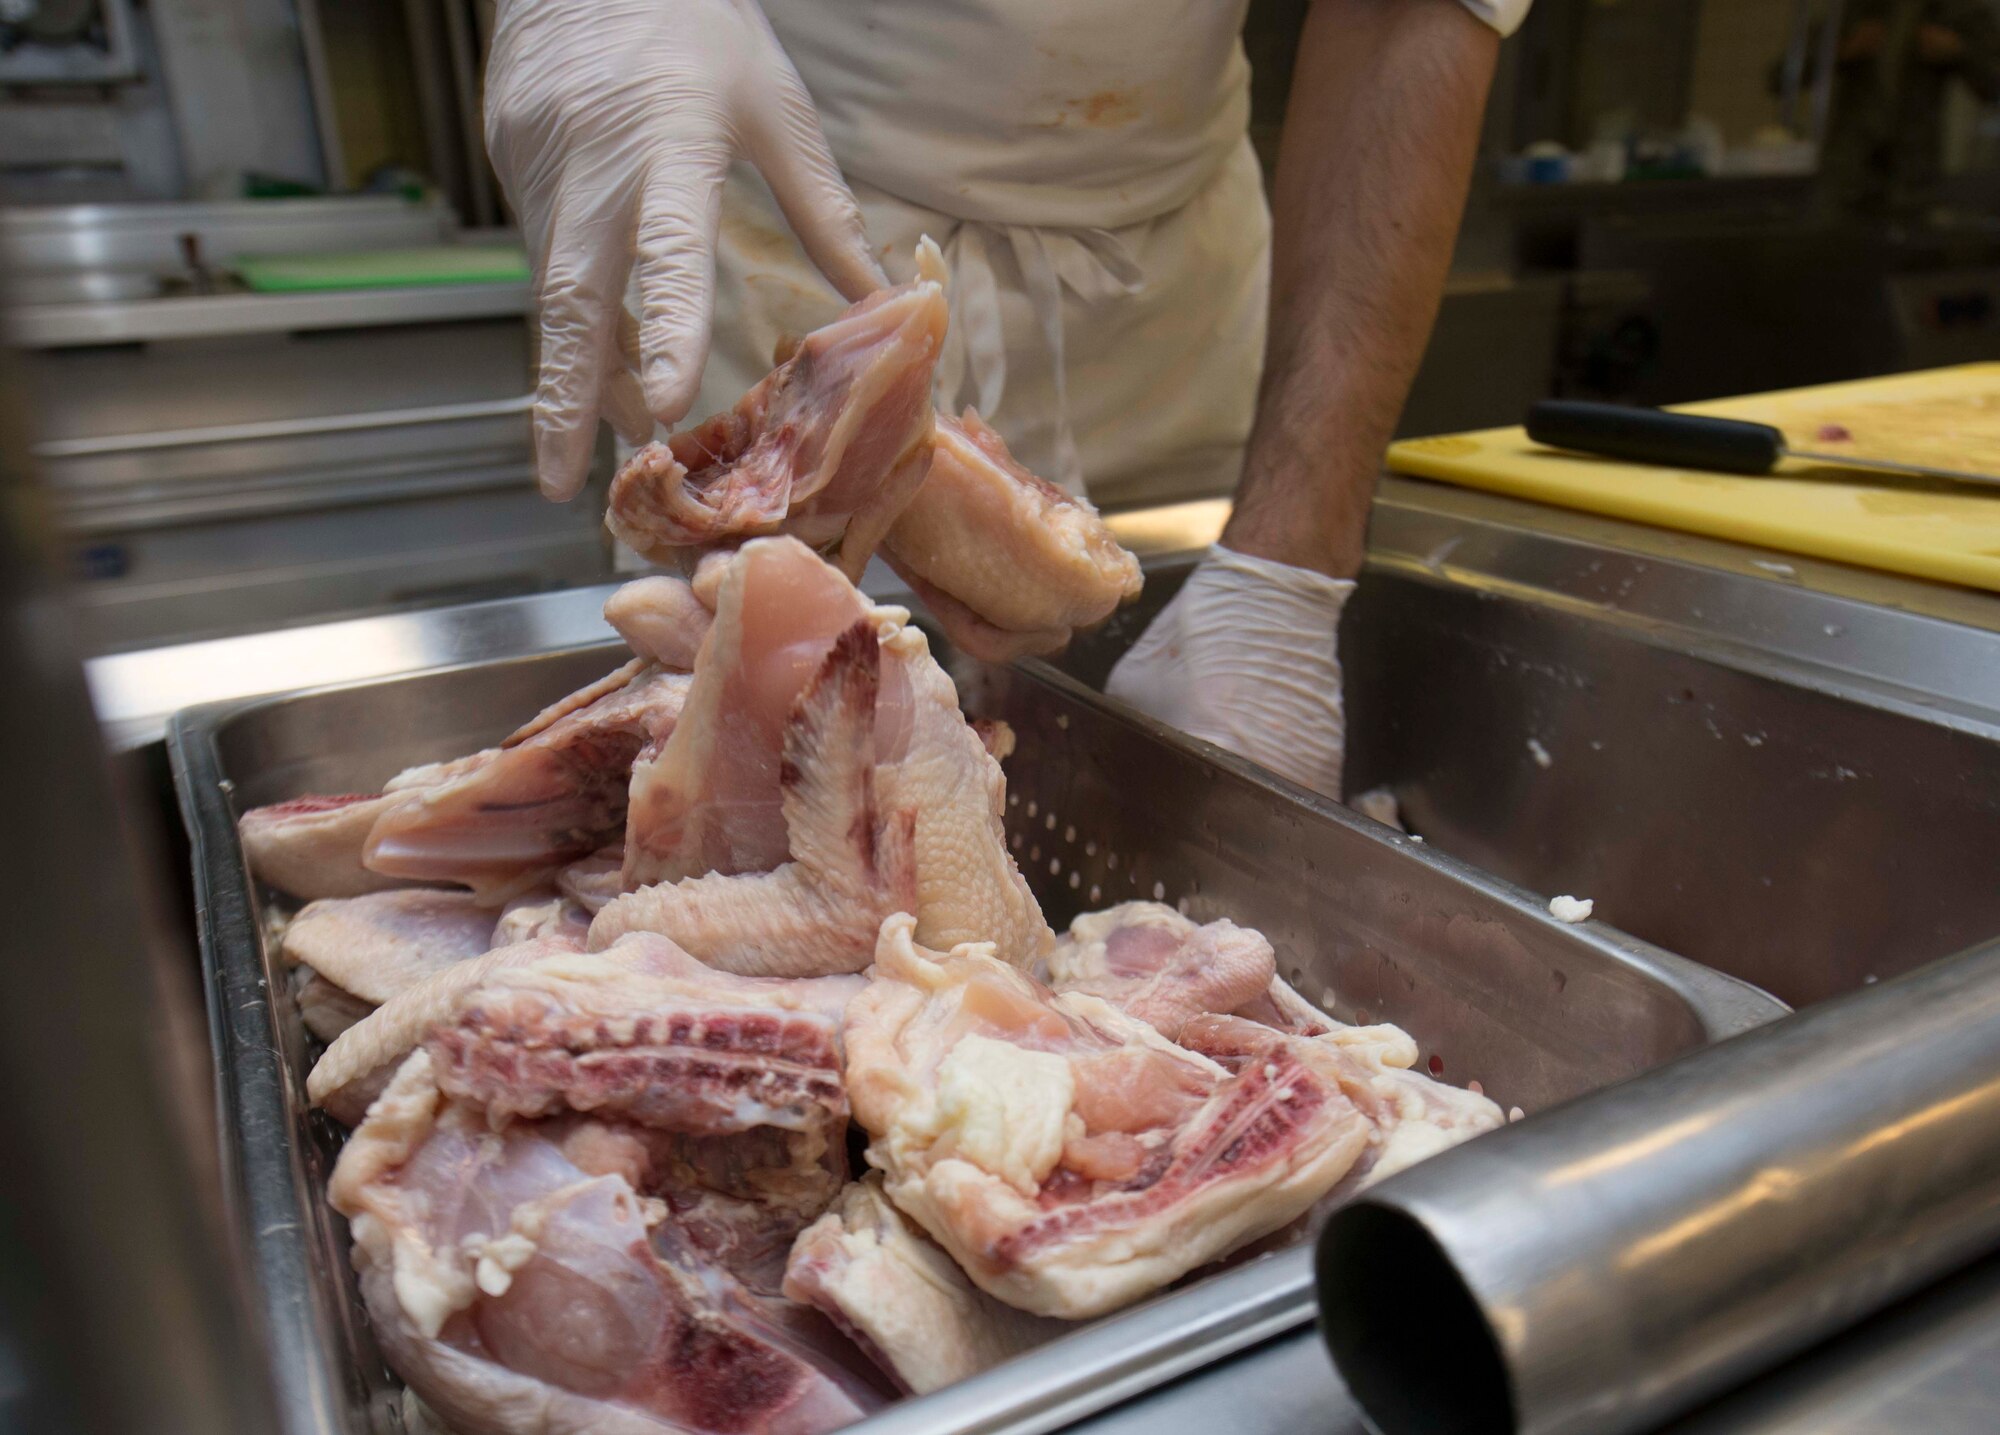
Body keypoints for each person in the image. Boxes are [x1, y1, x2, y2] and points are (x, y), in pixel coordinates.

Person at [484, 0, 1527, 799]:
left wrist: (1285, 579)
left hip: (1159, 295)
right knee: (750, 754)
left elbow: (1410, 18)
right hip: (772, 226)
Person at [1821, 0, 2000, 215]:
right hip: (1847, 161)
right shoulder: (1859, 7)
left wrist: (1958, 49)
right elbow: (1785, 73)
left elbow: (1993, 82)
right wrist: (1846, 49)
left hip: (1914, 167)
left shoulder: (1954, 8)